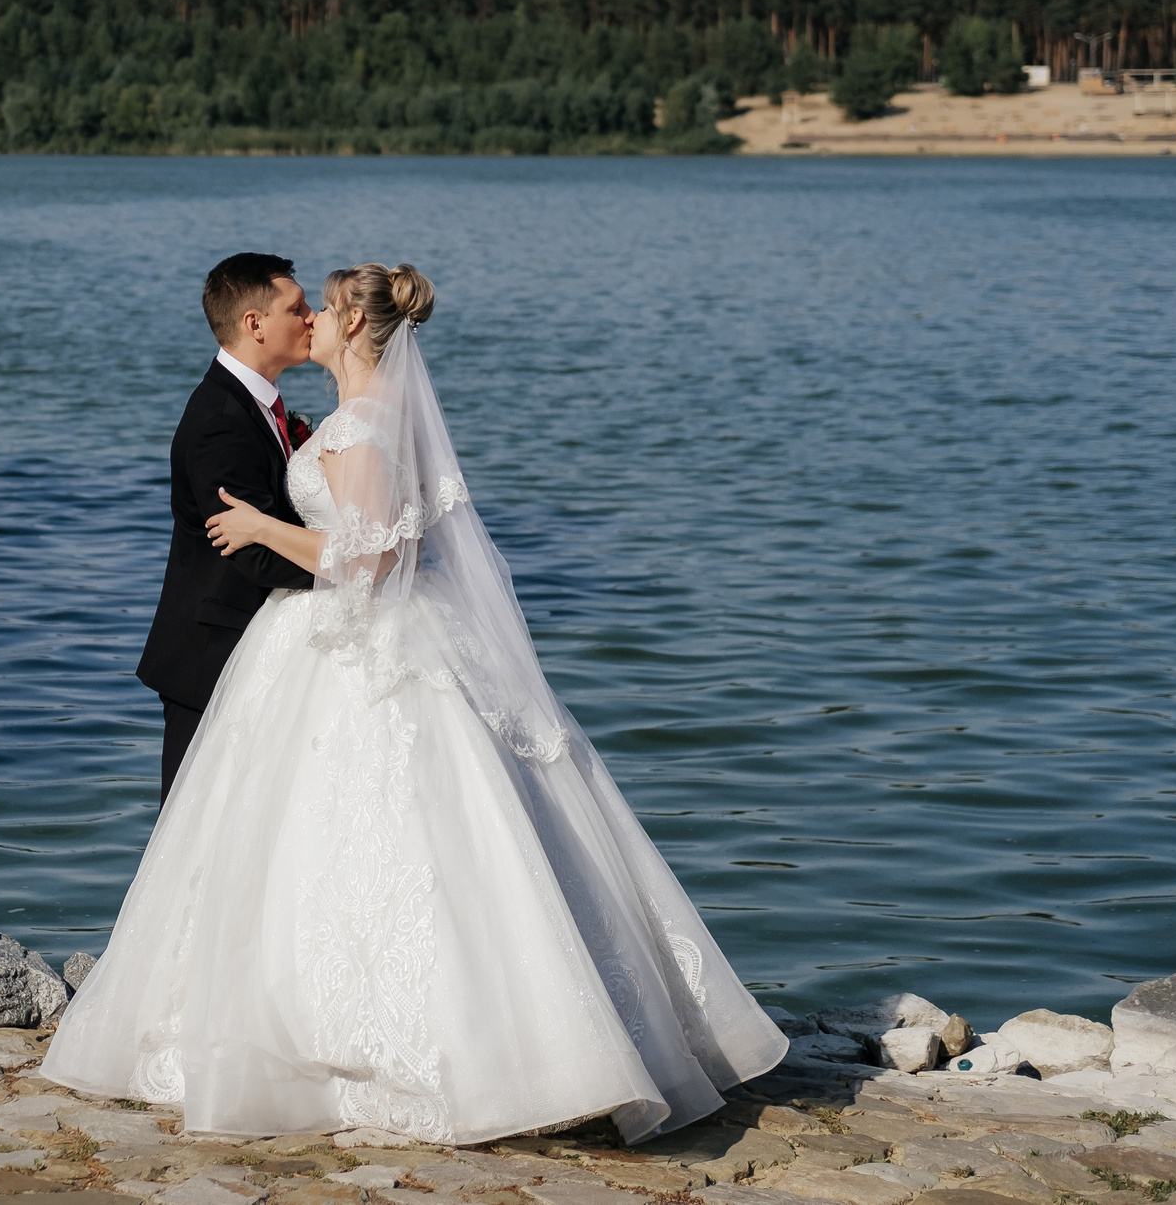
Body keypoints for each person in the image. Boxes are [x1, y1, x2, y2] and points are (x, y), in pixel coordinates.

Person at [43, 263, 785, 1145]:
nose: (309, 317)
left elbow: (367, 559)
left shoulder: (363, 426)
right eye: (296, 305)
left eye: (318, 305)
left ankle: (447, 1051)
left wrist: (266, 526)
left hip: (352, 638)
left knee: (384, 833)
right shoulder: (324, 421)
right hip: (295, 639)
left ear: (354, 324)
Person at [133, 253, 317, 801]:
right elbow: (254, 555)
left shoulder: (256, 408)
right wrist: (356, 569)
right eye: (298, 307)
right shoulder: (219, 422)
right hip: (214, 659)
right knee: (196, 851)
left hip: (259, 653)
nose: (313, 317)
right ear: (254, 324)